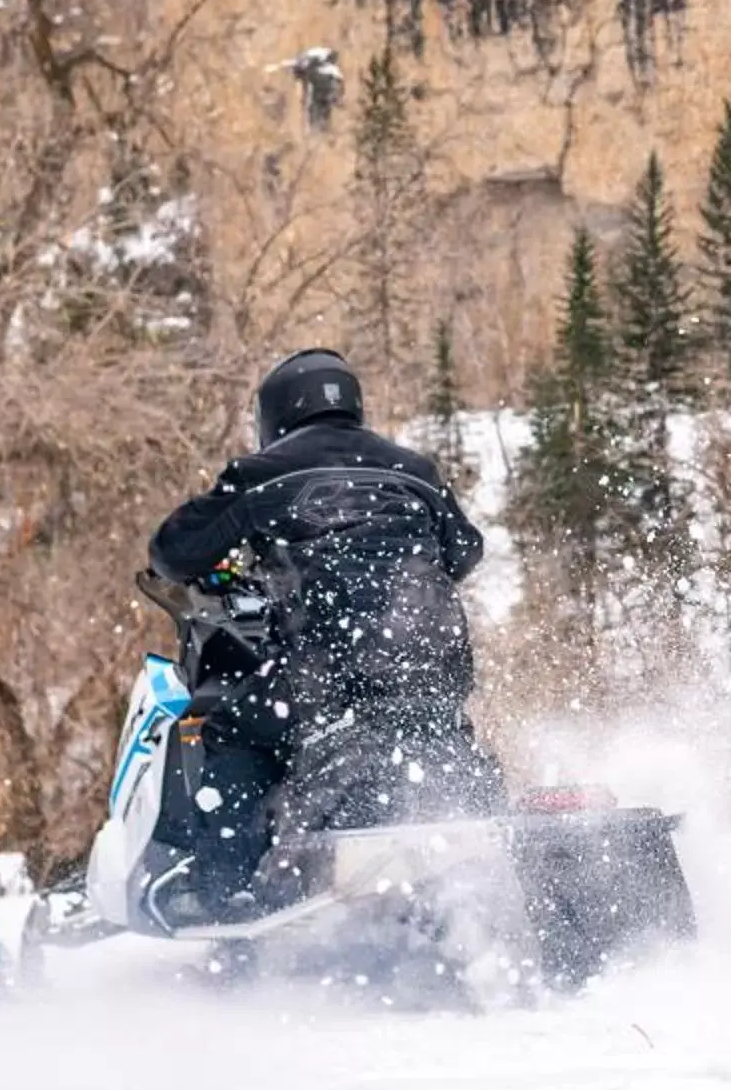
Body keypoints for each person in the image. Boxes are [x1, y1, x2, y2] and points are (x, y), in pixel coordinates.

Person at [141, 348, 503, 924]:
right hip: (433, 673)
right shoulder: (414, 470)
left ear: (276, 412)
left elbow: (172, 552)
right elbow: (464, 552)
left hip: (327, 676)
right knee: (443, 734)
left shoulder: (261, 475)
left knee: (233, 730)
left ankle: (227, 890)